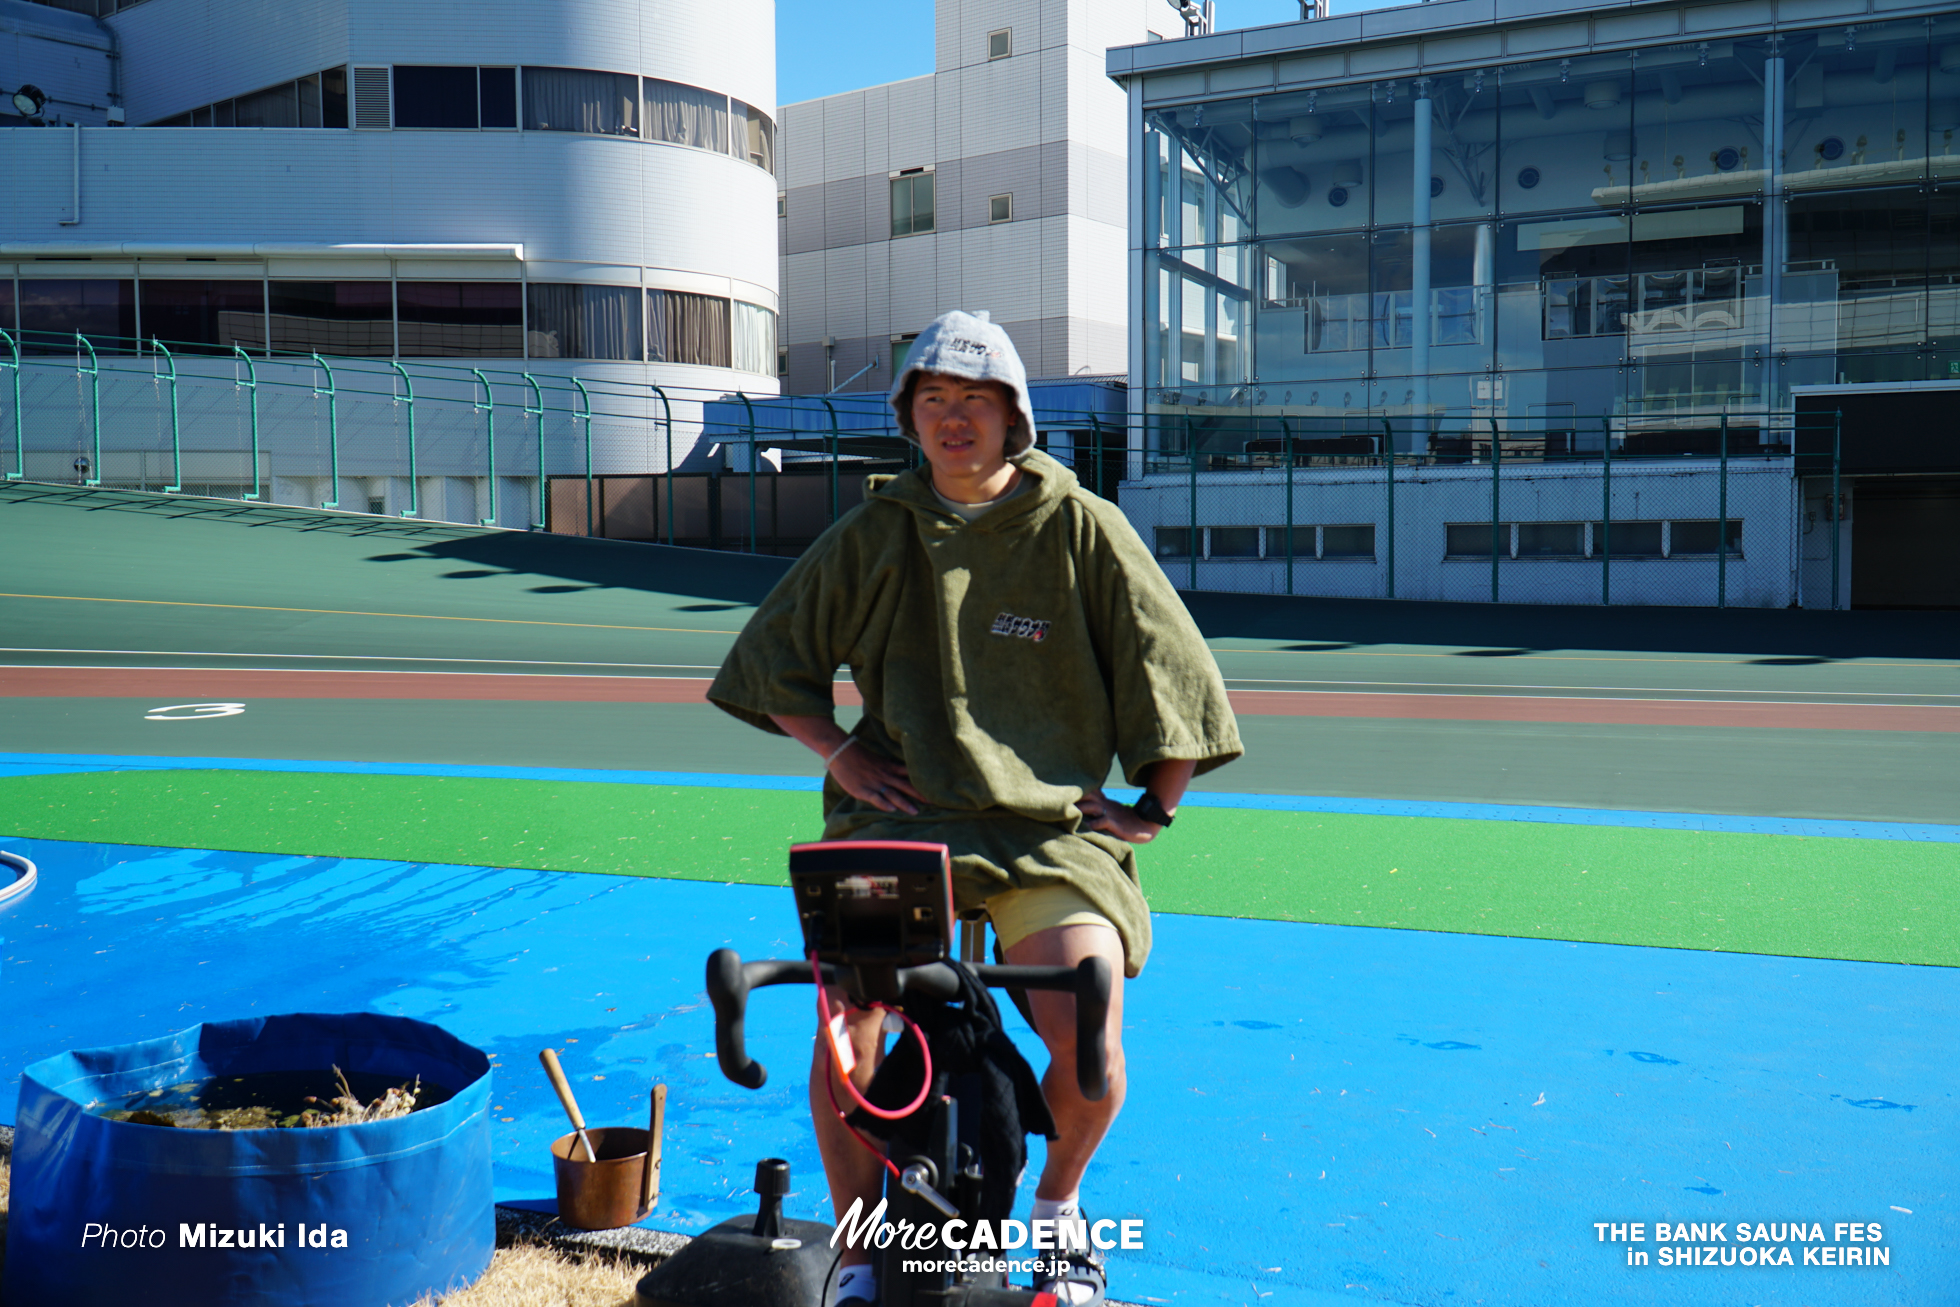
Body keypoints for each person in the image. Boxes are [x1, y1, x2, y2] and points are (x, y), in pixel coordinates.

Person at [708, 309, 1240, 1307]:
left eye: (977, 401)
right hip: (899, 821)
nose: (955, 419)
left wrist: (1151, 805)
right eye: (934, 400)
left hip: (1044, 834)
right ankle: (861, 1246)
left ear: (1013, 418)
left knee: (1091, 1028)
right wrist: (839, 752)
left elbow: (1169, 664)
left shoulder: (1080, 525)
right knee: (848, 1033)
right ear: (911, 415)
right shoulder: (875, 529)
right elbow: (771, 659)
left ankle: (1058, 1210)